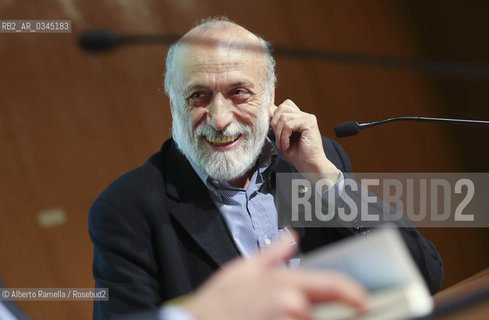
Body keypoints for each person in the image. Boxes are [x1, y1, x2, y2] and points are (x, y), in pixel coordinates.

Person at [89, 17, 443, 319]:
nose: (220, 119)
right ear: (172, 101)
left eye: (239, 92)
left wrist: (325, 178)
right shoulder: (126, 209)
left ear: (271, 96)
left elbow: (423, 276)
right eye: (198, 95)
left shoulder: (316, 163)